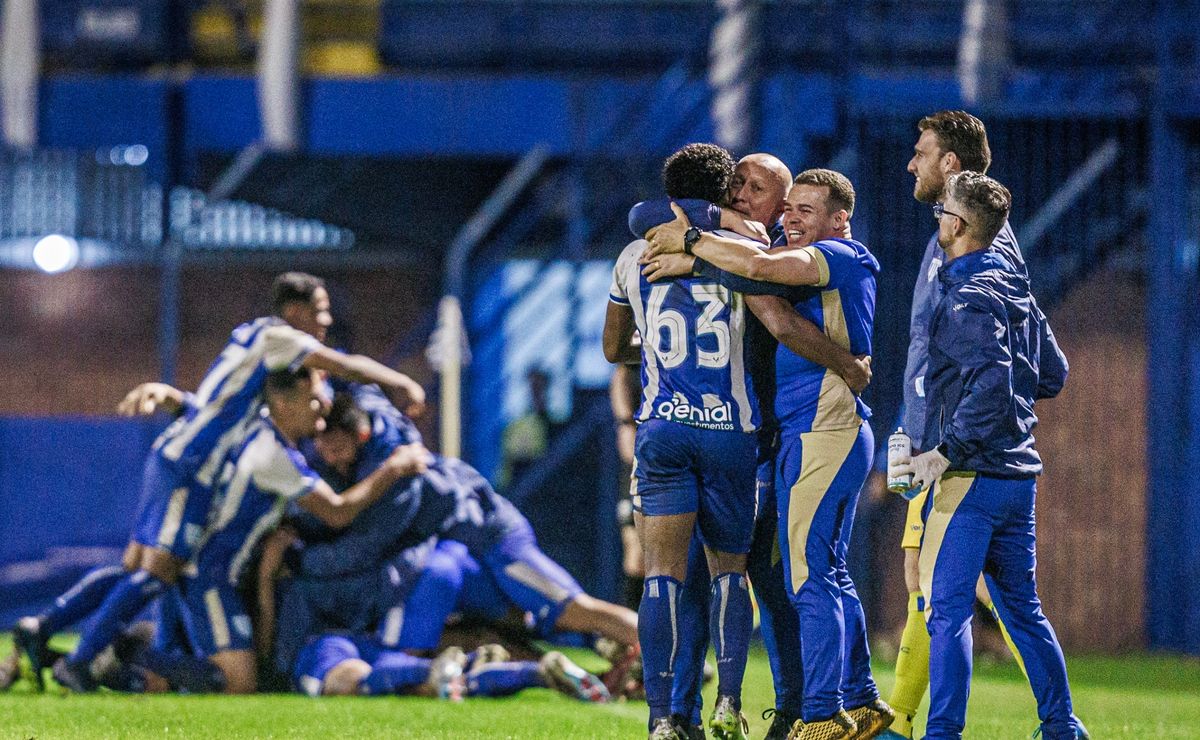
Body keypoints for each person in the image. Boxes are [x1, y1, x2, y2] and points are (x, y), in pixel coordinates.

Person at [14, 272, 426, 692]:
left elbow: (214, 406)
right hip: (193, 477)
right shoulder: (277, 346)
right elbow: (344, 367)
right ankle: (86, 660)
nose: (325, 325)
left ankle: (47, 630)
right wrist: (399, 384)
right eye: (321, 313)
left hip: (180, 458)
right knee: (157, 579)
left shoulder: (253, 367)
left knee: (136, 571)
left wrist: (175, 398)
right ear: (296, 313)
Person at [629, 151, 871, 740]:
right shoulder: (717, 239)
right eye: (737, 182)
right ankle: (689, 711)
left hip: (762, 438)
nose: (741, 193)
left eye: (759, 190)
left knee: (779, 575)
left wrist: (850, 367)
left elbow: (781, 320)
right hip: (721, 433)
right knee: (718, 576)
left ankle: (806, 706)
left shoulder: (764, 257)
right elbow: (641, 214)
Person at [890, 171, 1080, 740]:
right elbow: (1054, 374)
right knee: (1023, 610)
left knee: (945, 612)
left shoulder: (966, 294)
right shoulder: (1015, 287)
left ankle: (943, 732)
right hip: (1017, 475)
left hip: (970, 477)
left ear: (961, 224)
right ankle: (1061, 727)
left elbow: (992, 381)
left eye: (943, 209)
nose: (937, 218)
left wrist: (947, 450)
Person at [109, 367, 430, 694]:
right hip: (209, 571)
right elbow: (336, 511)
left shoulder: (267, 439)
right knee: (236, 681)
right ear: (287, 402)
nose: (319, 412)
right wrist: (393, 469)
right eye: (315, 402)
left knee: (200, 665)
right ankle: (118, 650)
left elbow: (208, 417)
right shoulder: (273, 452)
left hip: (216, 567)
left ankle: (113, 658)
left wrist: (173, 398)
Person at [605, 142, 764, 740]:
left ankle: (662, 718)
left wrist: (651, 353)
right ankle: (727, 700)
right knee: (730, 574)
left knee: (661, 577)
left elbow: (612, 347)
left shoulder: (633, 254)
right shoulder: (746, 251)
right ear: (724, 194)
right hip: (729, 430)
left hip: (664, 428)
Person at [292, 633, 608, 703]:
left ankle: (436, 670)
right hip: (382, 641)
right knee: (448, 685)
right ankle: (536, 672)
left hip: (323, 639)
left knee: (346, 683)